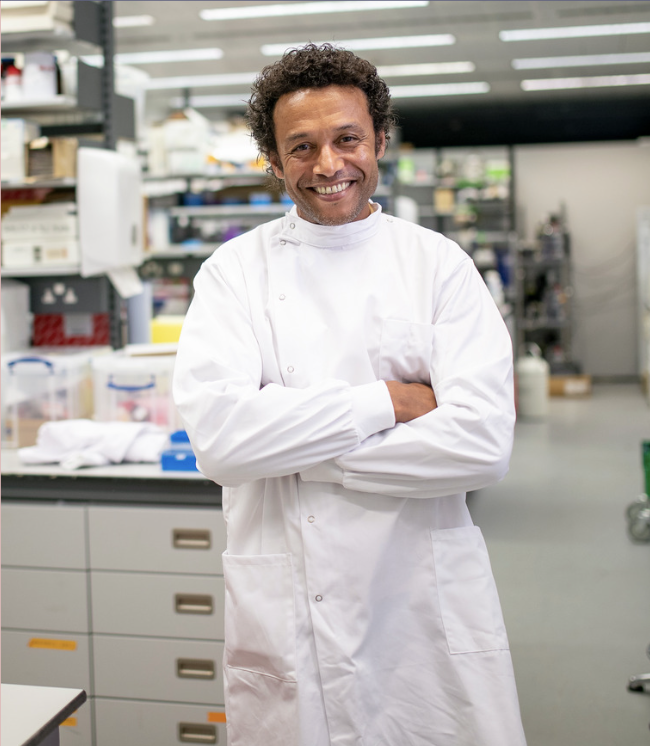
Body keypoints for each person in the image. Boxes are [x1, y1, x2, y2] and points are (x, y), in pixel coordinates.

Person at [173, 43, 526, 746]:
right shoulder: (233, 273)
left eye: (347, 139)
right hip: (293, 606)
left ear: (380, 141)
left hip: (420, 599)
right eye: (301, 147)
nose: (328, 165)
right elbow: (220, 442)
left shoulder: (438, 266)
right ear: (274, 161)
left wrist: (292, 453)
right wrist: (388, 403)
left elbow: (483, 445)